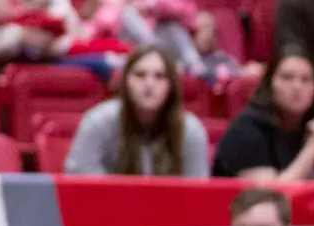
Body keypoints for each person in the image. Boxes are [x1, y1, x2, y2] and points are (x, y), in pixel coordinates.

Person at [64, 47, 208, 177]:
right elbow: (79, 180)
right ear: (125, 82)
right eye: (140, 75)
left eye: (160, 76)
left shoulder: (190, 130)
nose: (149, 84)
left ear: (171, 86)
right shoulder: (98, 122)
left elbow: (198, 190)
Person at [212, 53, 314, 181]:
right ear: (270, 84)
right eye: (287, 78)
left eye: (306, 80)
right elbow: (270, 197)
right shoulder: (246, 130)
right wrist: (312, 149)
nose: (297, 87)